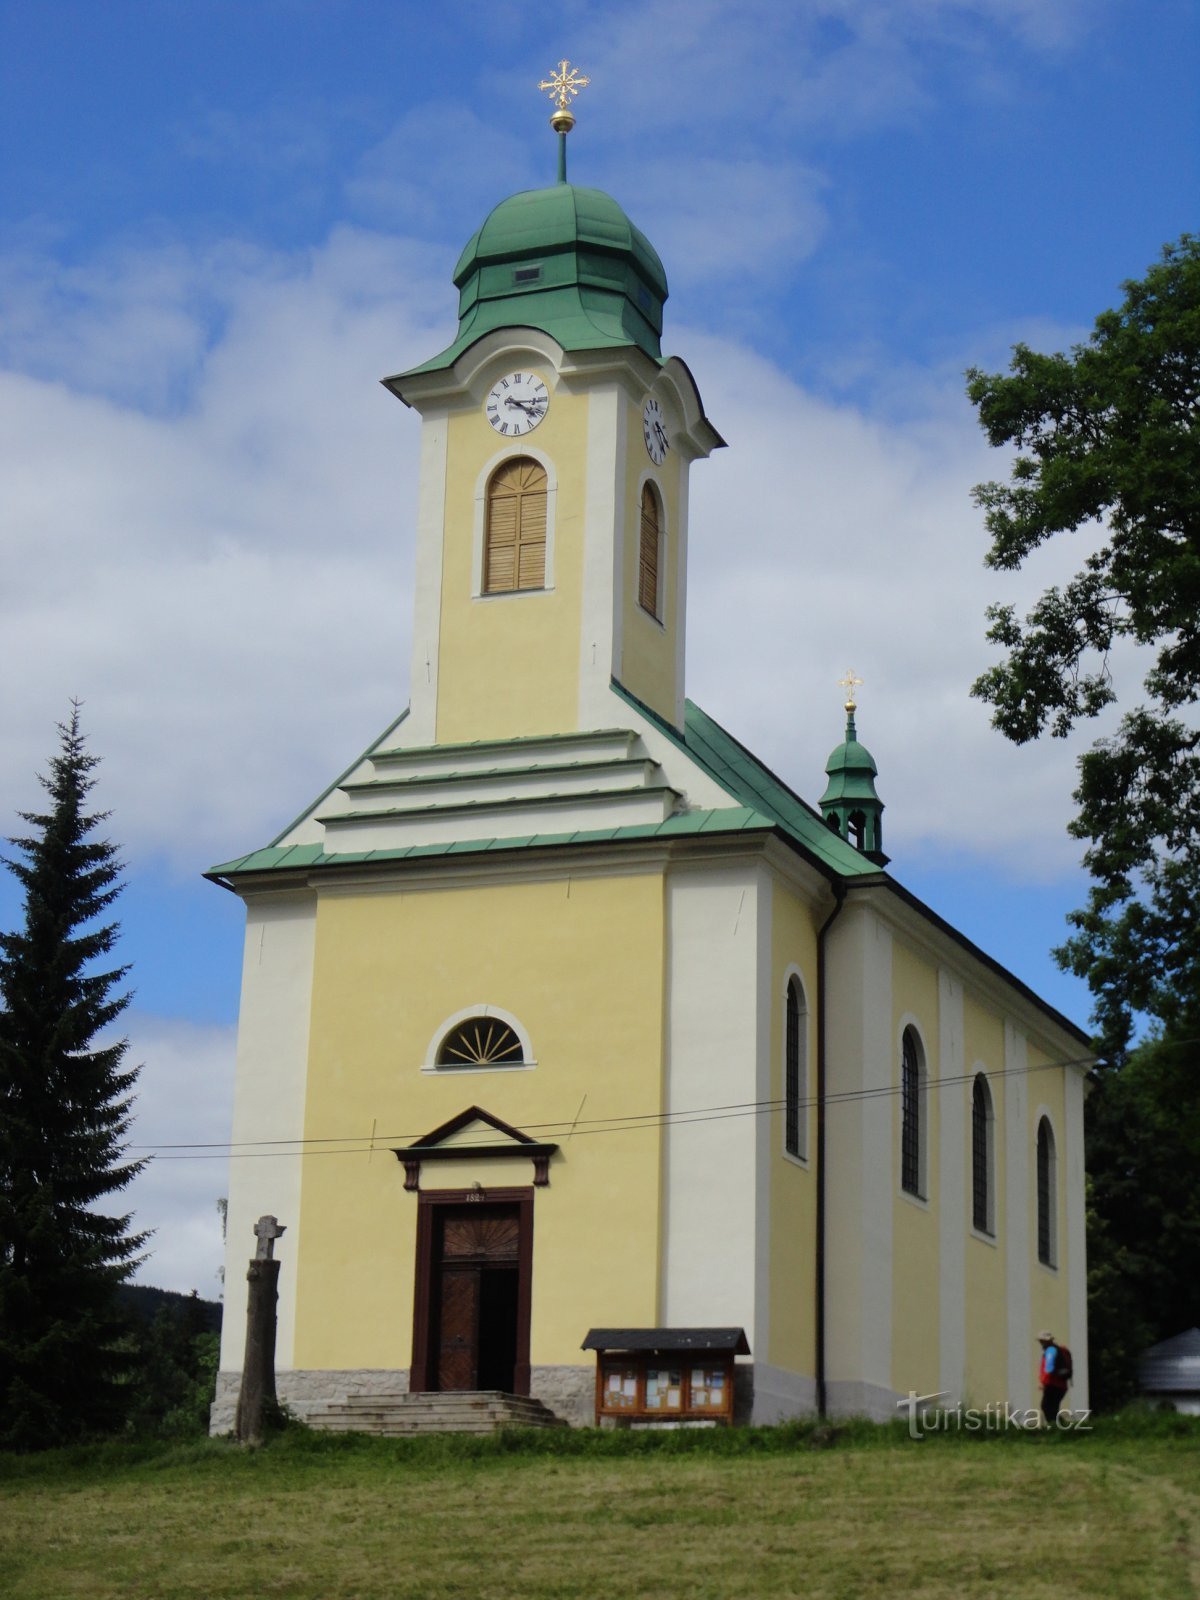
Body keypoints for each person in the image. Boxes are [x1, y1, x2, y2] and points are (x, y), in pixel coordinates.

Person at [1037, 1330, 1069, 1424]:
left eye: (1041, 1341)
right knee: (1053, 1408)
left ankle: (1055, 1427)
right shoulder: (1057, 1349)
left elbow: (1049, 1369)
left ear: (1045, 1341)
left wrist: (1044, 1382)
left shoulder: (1051, 1350)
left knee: (1046, 1406)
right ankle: (1061, 1427)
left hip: (1053, 1384)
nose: (1040, 1343)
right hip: (1061, 1385)